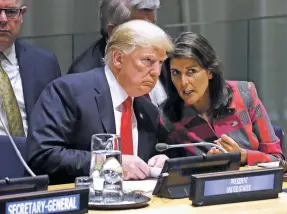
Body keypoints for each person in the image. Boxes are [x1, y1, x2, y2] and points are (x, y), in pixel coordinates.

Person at [27, 20, 174, 184]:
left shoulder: (148, 110)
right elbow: (43, 155)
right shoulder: (69, 91)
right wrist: (109, 164)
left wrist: (158, 161)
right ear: (118, 59)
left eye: (160, 62)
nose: (156, 72)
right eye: (148, 60)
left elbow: (137, 163)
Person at [160, 32, 284, 166]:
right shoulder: (167, 116)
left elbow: (277, 159)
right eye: (176, 73)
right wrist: (206, 165)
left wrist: (242, 156)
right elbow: (172, 171)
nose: (183, 82)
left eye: (191, 71)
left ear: (210, 71)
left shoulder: (244, 94)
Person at [68, 0, 167, 106]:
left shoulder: (162, 54)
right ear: (114, 31)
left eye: (153, 26)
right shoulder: (83, 78)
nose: (153, 35)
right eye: (142, 28)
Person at [0, 0, 61, 137]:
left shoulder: (44, 63)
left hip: (35, 155)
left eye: (11, 12)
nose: (3, 19)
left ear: (22, 15)